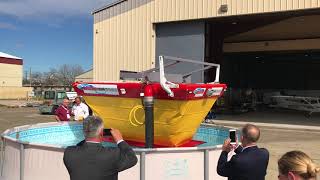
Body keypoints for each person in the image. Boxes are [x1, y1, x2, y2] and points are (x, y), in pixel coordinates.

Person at [63, 116, 138, 180]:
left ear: (84, 131)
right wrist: (120, 140)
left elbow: (80, 147)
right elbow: (132, 158)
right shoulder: (113, 155)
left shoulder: (69, 153)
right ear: (101, 133)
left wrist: (90, 136)